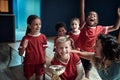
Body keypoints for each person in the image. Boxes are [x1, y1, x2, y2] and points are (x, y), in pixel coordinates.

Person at [76, 0, 120, 78]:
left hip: (93, 54)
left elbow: (115, 27)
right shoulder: (83, 25)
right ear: (86, 18)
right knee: (79, 69)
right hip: (81, 52)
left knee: (87, 71)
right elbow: (81, 12)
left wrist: (119, 16)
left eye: (94, 16)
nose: (92, 16)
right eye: (90, 15)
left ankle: (87, 77)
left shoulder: (100, 28)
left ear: (97, 20)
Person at [18, 15, 48, 80]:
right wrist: (23, 47)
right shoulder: (25, 38)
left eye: (39, 24)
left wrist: (44, 62)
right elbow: (20, 54)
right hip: (28, 64)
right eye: (35, 24)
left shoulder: (43, 37)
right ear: (29, 26)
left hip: (40, 63)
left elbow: (44, 51)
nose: (38, 26)